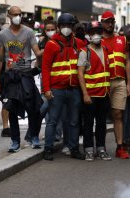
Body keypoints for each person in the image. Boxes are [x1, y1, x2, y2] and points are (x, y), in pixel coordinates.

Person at [0, 6, 43, 152]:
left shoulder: (28, 32)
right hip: (11, 77)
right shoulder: (3, 35)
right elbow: (0, 58)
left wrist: (44, 52)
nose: (18, 16)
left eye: (20, 14)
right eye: (15, 14)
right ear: (9, 16)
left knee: (33, 108)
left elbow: (37, 52)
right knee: (12, 110)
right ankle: (15, 141)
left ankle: (34, 136)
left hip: (26, 74)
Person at [42, 13, 86, 160]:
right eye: (63, 26)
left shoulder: (79, 44)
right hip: (57, 90)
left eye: (69, 26)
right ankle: (48, 149)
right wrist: (46, 89)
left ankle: (74, 149)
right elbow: (46, 68)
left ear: (73, 27)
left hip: (74, 89)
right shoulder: (51, 44)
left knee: (74, 121)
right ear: (59, 27)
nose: (66, 28)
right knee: (53, 120)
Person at [78, 21, 112, 161]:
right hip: (90, 95)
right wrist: (85, 94)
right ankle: (89, 150)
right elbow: (80, 74)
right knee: (88, 123)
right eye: (93, 33)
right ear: (89, 35)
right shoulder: (84, 52)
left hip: (104, 94)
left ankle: (101, 148)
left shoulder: (105, 49)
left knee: (102, 123)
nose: (96, 35)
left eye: (98, 32)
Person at [101, 11, 130, 159]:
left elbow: (127, 62)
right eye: (107, 21)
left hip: (120, 82)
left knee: (118, 114)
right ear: (102, 23)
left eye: (112, 21)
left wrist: (129, 83)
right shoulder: (97, 40)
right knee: (100, 116)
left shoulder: (122, 39)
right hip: (102, 82)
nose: (110, 24)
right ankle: (100, 147)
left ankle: (120, 147)